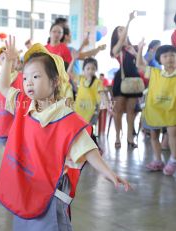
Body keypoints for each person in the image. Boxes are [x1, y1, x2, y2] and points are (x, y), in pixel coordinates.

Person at [0, 37, 131, 231]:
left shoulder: (66, 119)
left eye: (36, 76)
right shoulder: (23, 104)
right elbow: (3, 87)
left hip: (50, 197)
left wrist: (109, 173)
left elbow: (88, 149)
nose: (28, 83)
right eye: (25, 78)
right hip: (24, 189)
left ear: (55, 81)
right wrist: (8, 62)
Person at [137, 41, 176, 176]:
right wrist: (140, 49)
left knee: (173, 134)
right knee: (154, 136)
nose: (170, 58)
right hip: (154, 109)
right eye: (165, 56)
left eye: (172, 55)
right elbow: (139, 65)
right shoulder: (155, 72)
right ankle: (158, 160)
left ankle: (173, 160)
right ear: (159, 59)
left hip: (172, 110)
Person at [110, 11, 143, 149]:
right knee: (118, 110)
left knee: (131, 111)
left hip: (134, 80)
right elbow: (120, 41)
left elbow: (141, 65)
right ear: (116, 35)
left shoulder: (133, 48)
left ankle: (130, 138)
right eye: (119, 30)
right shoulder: (117, 49)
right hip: (121, 80)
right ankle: (118, 136)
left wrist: (139, 50)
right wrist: (128, 21)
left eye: (123, 30)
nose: (122, 31)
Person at [68, 56, 109, 125]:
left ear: (96, 70)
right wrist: (73, 59)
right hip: (79, 108)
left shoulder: (97, 82)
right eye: (88, 68)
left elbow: (102, 94)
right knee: (78, 128)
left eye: (93, 69)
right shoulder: (81, 79)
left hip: (91, 111)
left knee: (88, 129)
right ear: (83, 69)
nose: (90, 71)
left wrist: (108, 105)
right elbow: (69, 72)